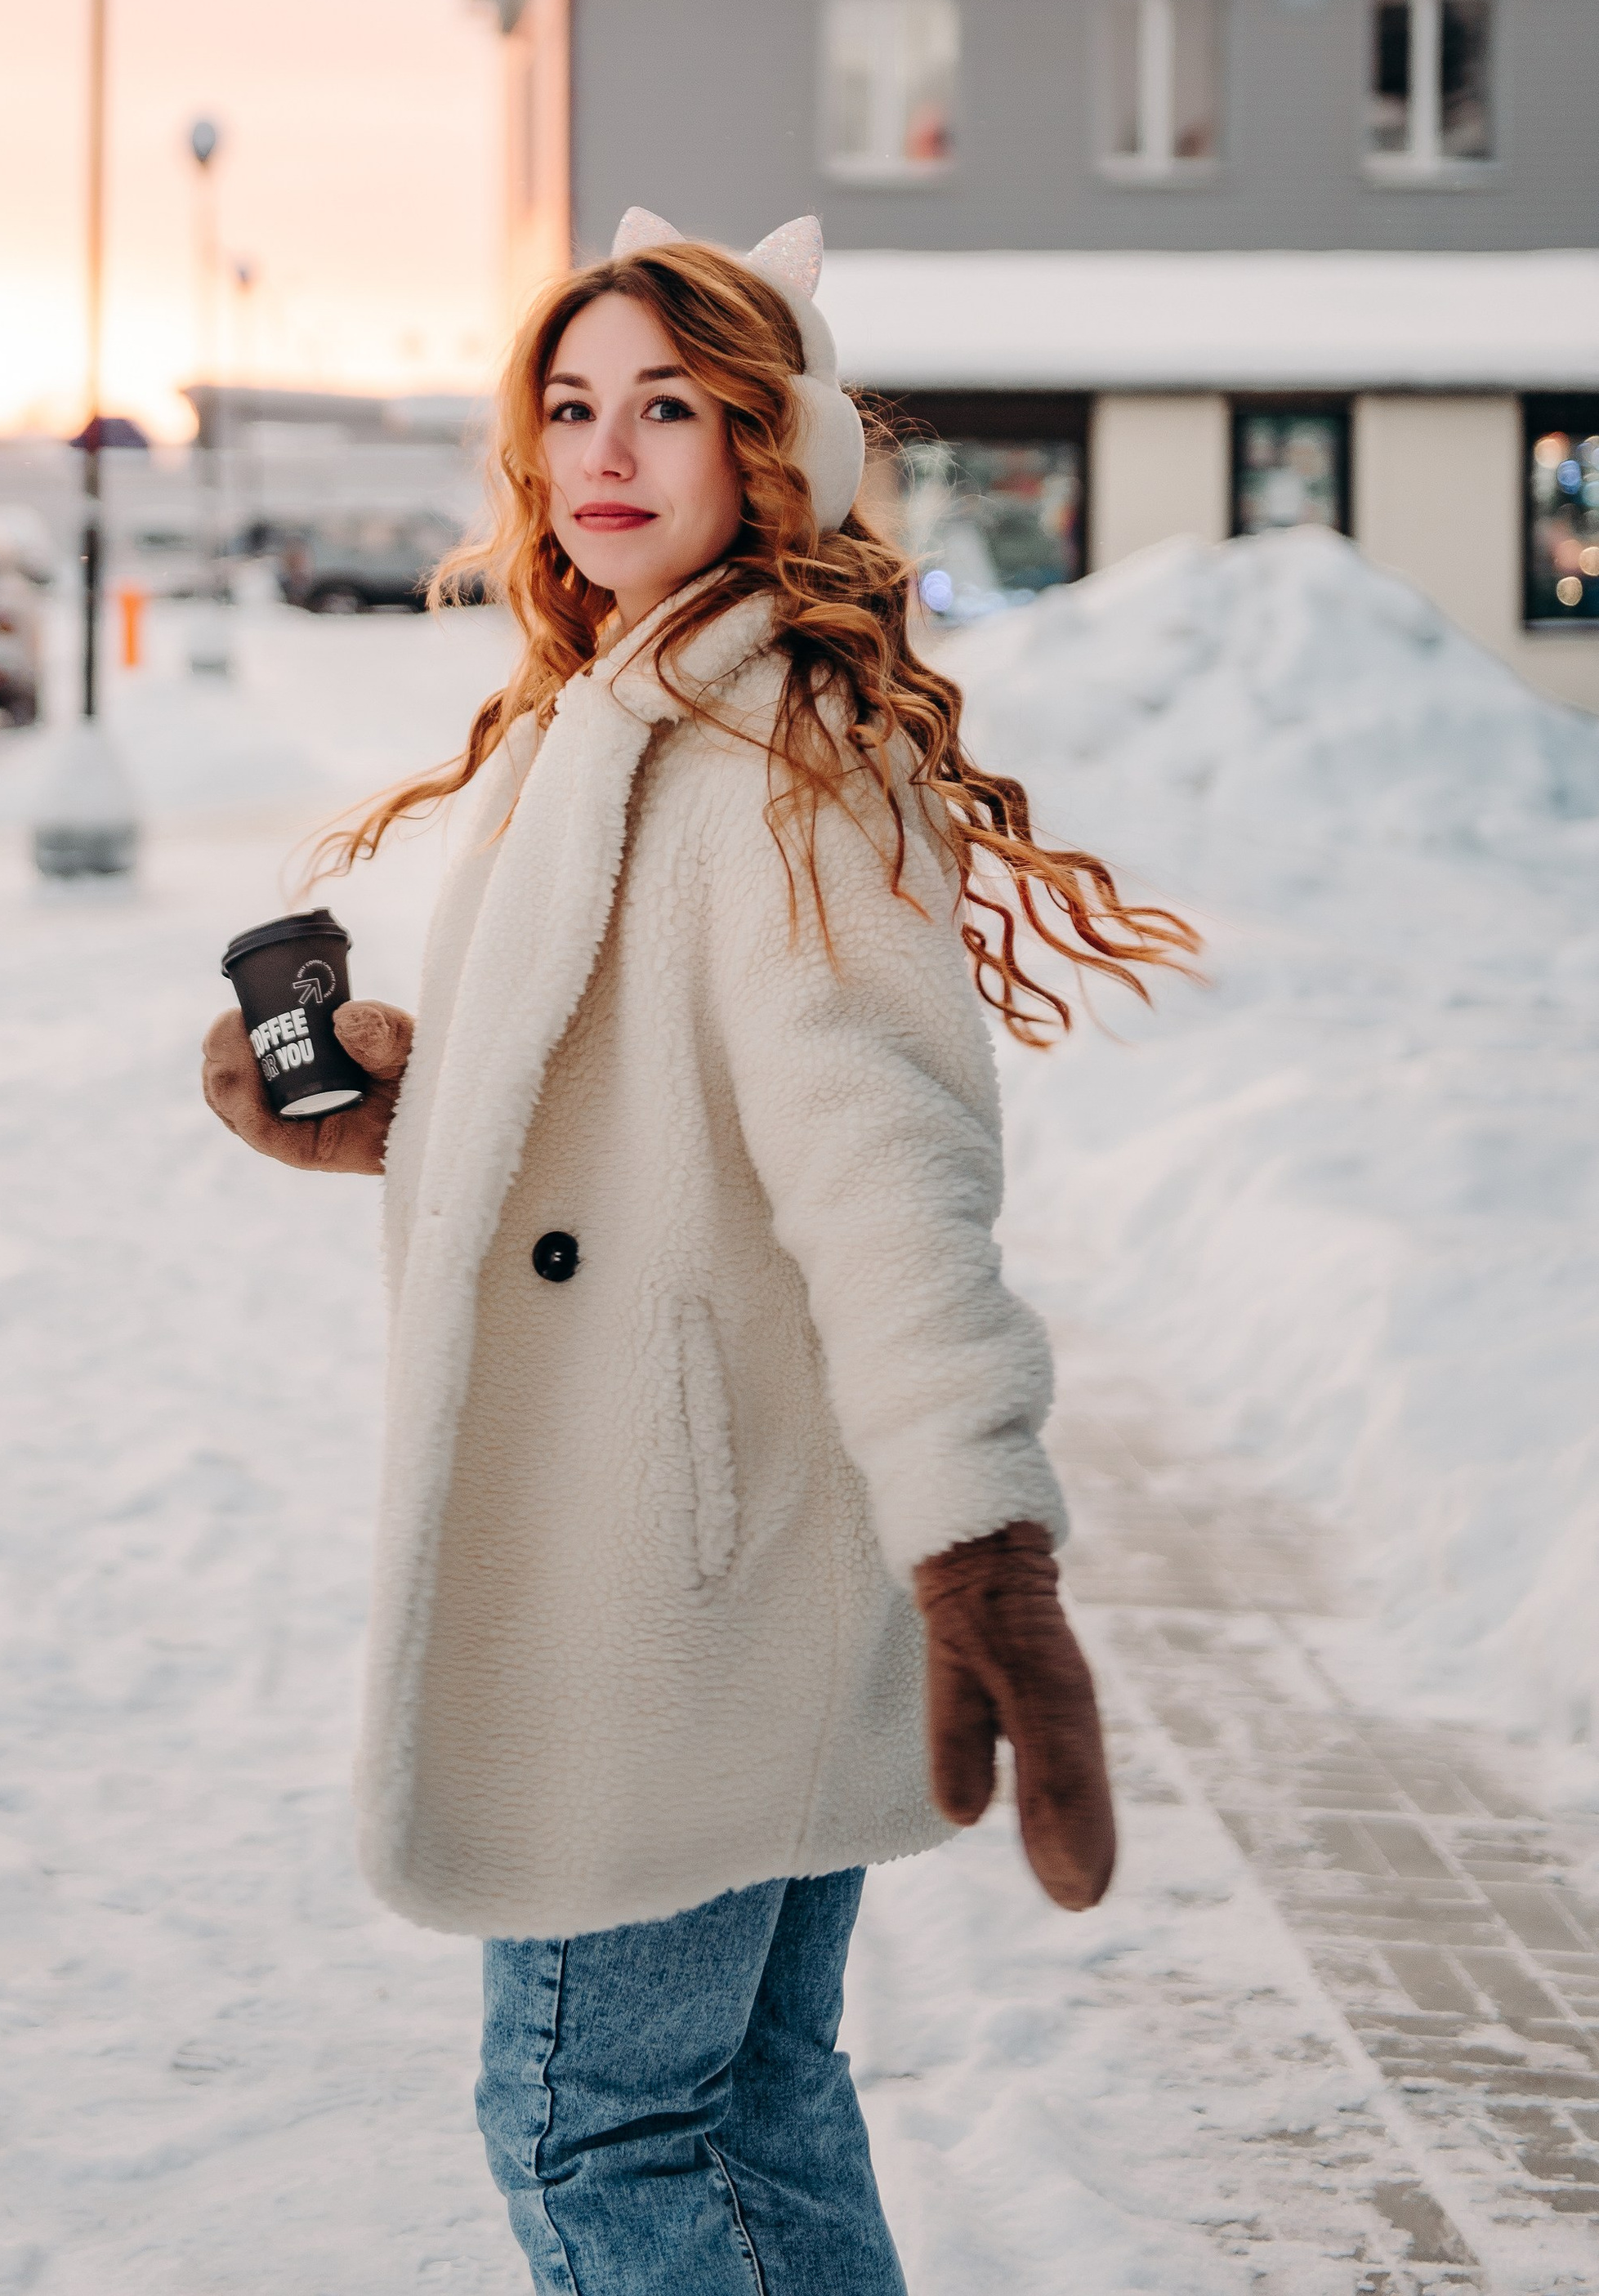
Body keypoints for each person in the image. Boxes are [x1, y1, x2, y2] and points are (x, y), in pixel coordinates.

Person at [203, 210, 1196, 2292]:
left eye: (671, 402)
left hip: (675, 1575)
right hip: (720, 1553)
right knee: (746, 2098)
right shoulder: (632, 710)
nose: (606, 449)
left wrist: (982, 1549)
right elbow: (634, 1113)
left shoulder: (769, 764)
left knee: (590, 2120)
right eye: (571, 406)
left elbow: (881, 1168)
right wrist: (400, 1100)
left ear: (776, 442)